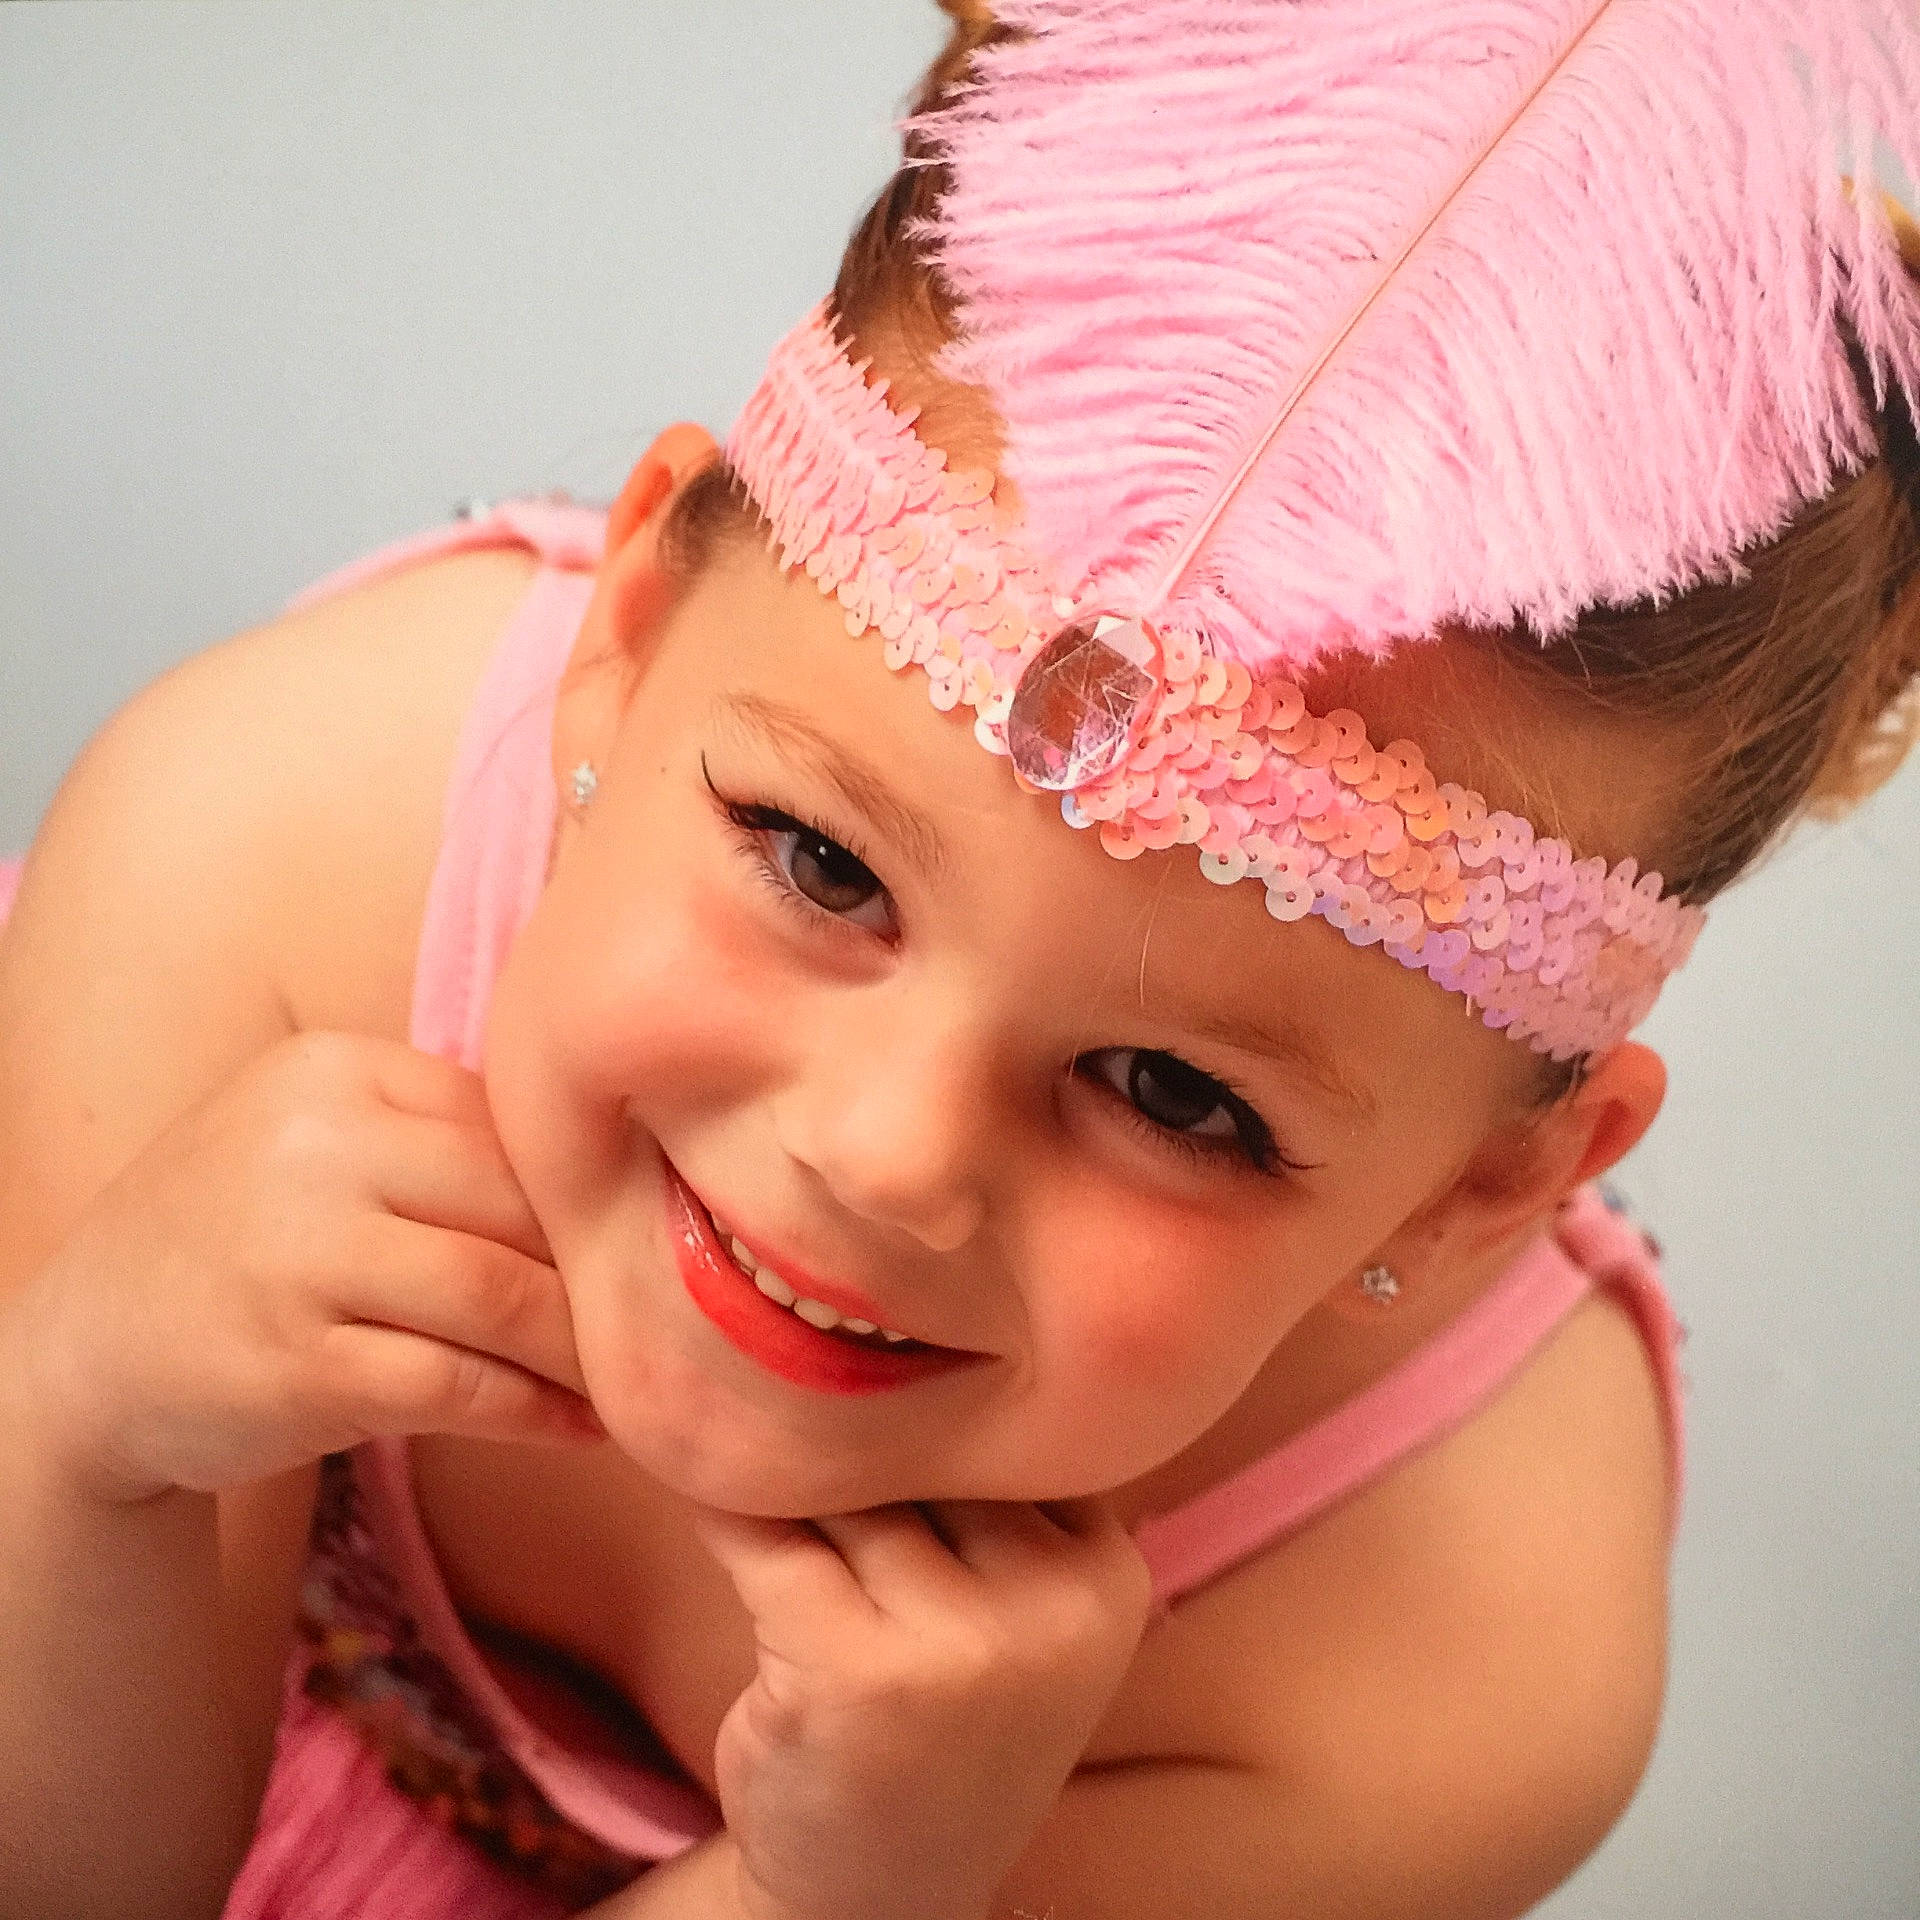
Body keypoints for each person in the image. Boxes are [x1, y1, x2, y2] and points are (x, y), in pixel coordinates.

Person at [2, 4, 1916, 1918]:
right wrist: (87, 1440)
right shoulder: (271, 837)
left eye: (1182, 1096)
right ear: (635, 626)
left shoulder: (1457, 1664)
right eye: (818, 863)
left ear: (1497, 1181)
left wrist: (841, 1896)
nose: (888, 1155)